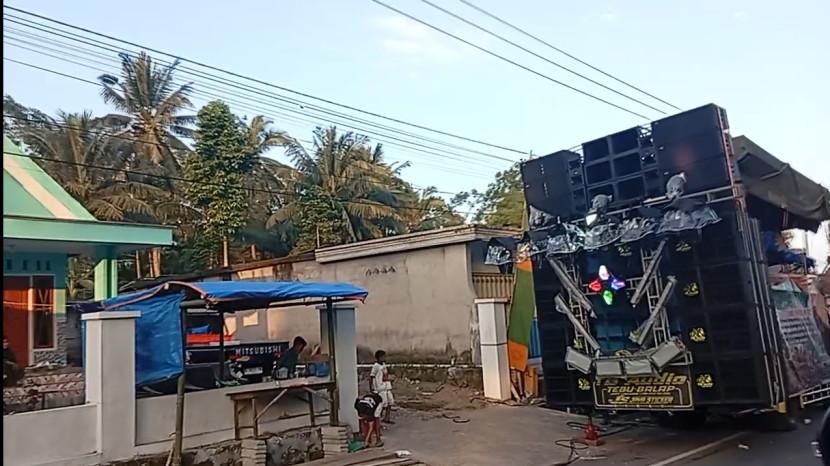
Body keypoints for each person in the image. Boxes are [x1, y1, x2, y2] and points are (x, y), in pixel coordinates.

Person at [370, 350, 394, 423]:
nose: (384, 358)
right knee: (383, 403)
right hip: (380, 387)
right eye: (383, 357)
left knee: (390, 402)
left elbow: (385, 374)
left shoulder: (383, 365)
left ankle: (387, 418)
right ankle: (378, 418)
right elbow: (372, 376)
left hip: (387, 386)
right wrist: (371, 387)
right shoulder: (376, 366)